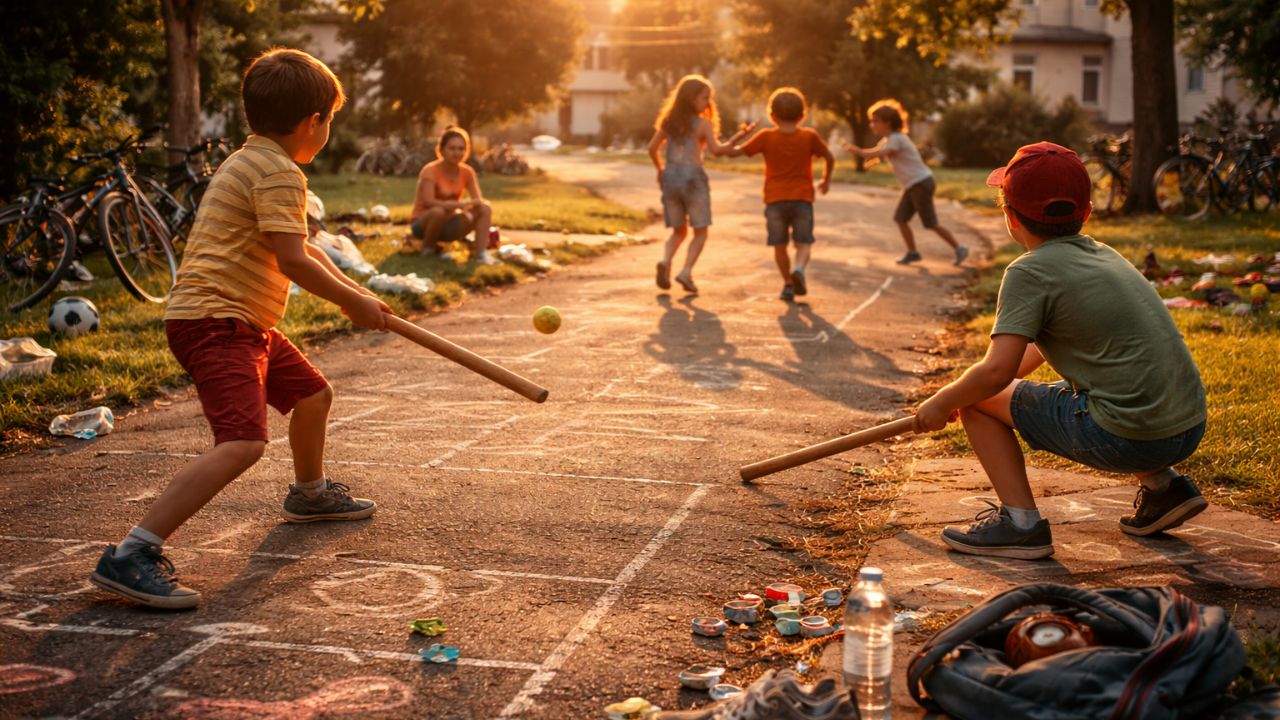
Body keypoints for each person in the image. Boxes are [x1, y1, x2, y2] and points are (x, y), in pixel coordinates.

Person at [89, 48, 392, 609]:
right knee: (244, 443)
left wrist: (358, 293)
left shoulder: (247, 159)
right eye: (332, 120)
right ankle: (132, 554)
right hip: (217, 322)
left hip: (238, 321)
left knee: (312, 395)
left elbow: (298, 250)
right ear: (314, 123)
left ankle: (309, 494)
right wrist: (351, 302)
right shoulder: (281, 174)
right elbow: (295, 262)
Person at [912, 142, 1208, 560]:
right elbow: (1032, 353)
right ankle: (1165, 489)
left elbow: (996, 373)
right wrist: (984, 391)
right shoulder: (1103, 255)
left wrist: (948, 399)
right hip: (1187, 424)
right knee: (1097, 390)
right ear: (1086, 212)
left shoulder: (1029, 271)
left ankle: (1020, 524)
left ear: (1010, 217)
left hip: (1131, 437)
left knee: (978, 401)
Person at [649, 74, 758, 294]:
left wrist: (660, 169)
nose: (707, 103)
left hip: (670, 178)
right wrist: (739, 138)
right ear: (691, 99)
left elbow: (652, 148)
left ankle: (665, 260)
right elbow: (717, 150)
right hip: (693, 180)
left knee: (678, 231)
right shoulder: (703, 124)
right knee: (700, 231)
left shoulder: (669, 123)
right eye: (704, 98)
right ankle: (686, 272)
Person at [729, 87, 834, 301]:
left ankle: (787, 283)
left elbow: (733, 153)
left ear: (772, 115)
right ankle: (799, 270)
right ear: (802, 114)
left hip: (775, 199)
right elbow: (830, 157)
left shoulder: (765, 136)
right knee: (804, 243)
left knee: (779, 245)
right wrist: (826, 179)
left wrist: (739, 137)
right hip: (802, 198)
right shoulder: (809, 136)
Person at [845, 99, 968, 266]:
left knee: (930, 223)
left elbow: (883, 152)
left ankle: (959, 248)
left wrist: (859, 152)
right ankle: (913, 252)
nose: (872, 125)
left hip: (920, 183)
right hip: (913, 185)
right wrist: (871, 159)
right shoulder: (888, 139)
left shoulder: (897, 138)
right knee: (901, 218)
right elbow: (879, 153)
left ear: (887, 123)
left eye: (875, 121)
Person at [409, 127, 498, 265]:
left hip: (450, 221)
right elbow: (429, 201)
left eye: (461, 149)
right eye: (452, 148)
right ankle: (427, 249)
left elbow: (477, 201)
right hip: (424, 223)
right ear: (442, 149)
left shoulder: (467, 172)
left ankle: (481, 254)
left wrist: (467, 211)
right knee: (439, 211)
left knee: (485, 208)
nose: (457, 153)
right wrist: (459, 205)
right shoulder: (430, 170)